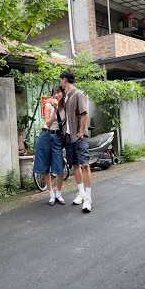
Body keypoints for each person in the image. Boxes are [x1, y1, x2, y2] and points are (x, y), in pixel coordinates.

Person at [59, 70, 92, 213]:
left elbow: (84, 113)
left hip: (79, 136)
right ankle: (81, 193)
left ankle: (88, 199)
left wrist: (81, 132)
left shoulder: (79, 94)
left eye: (61, 80)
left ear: (65, 80)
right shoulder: (66, 96)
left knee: (85, 165)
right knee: (75, 165)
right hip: (68, 136)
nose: (60, 82)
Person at [32, 86, 66, 206]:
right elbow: (48, 123)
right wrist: (55, 110)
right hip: (46, 135)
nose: (57, 95)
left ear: (62, 93)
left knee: (59, 167)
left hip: (57, 138)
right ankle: (51, 194)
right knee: (45, 166)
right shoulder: (48, 105)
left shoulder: (64, 107)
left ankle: (59, 193)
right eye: (55, 93)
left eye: (59, 93)